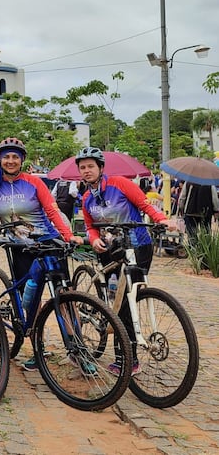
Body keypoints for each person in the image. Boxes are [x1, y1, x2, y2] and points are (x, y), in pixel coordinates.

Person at [0, 137, 82, 370]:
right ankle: (37, 348)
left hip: (47, 242)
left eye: (15, 157)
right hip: (19, 249)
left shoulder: (33, 182)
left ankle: (77, 349)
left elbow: (52, 209)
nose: (10, 161)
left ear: (22, 160)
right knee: (30, 300)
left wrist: (67, 235)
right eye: (6, 157)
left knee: (64, 296)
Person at [76, 146, 178, 375]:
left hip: (138, 247)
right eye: (82, 168)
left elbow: (144, 205)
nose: (86, 171)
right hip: (109, 251)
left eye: (90, 166)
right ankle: (125, 358)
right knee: (117, 301)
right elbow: (90, 226)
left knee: (128, 299)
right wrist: (93, 240)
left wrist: (162, 220)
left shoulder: (119, 184)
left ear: (101, 167)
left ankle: (127, 356)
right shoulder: (86, 198)